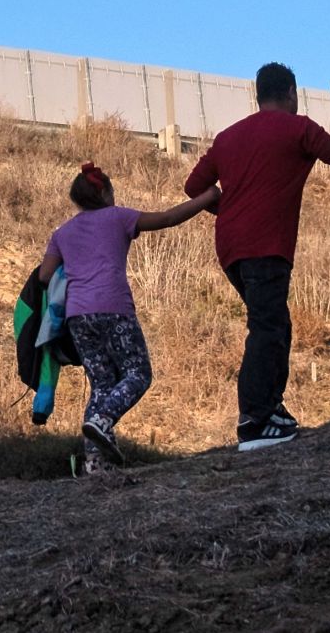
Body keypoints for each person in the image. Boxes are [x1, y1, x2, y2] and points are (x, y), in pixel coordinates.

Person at [182, 63, 330, 450]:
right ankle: (254, 420)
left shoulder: (228, 136)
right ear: (290, 94)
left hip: (230, 248)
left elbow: (194, 186)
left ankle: (272, 409)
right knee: (267, 328)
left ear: (259, 94)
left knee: (276, 323)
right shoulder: (298, 128)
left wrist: (227, 206)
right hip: (266, 246)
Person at [33, 162, 221, 473]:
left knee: (102, 383)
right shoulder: (118, 217)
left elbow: (44, 275)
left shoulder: (62, 233)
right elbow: (168, 218)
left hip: (77, 317)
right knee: (138, 374)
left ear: (76, 198)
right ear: (105, 192)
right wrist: (207, 197)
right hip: (113, 308)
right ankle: (102, 420)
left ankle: (95, 464)